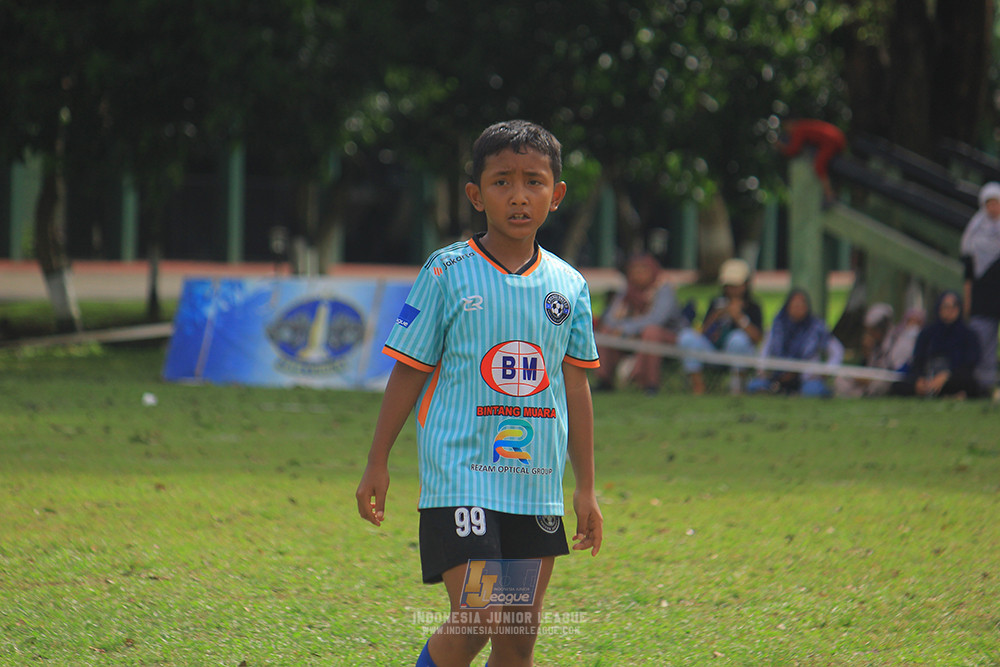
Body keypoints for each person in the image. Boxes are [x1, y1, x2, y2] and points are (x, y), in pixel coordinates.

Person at [355, 120, 603, 667]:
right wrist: (378, 461)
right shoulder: (447, 272)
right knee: (480, 616)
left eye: (534, 181)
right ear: (476, 194)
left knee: (516, 641)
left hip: (536, 485)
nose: (519, 196)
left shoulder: (569, 285)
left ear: (556, 195)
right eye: (502, 182)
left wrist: (585, 489)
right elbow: (408, 371)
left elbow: (576, 385)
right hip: (461, 477)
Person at [593, 252, 688, 394]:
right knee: (606, 330)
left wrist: (625, 329)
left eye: (643, 271)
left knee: (651, 332)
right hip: (632, 336)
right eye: (634, 271)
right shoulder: (626, 291)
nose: (638, 275)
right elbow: (609, 318)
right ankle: (604, 381)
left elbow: (657, 319)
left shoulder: (663, 289)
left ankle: (650, 385)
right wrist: (617, 328)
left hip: (668, 337)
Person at [677, 258, 763, 395]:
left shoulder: (753, 307)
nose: (731, 290)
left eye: (736, 285)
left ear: (745, 285)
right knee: (687, 337)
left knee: (737, 339)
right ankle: (698, 388)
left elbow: (757, 338)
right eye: (728, 285)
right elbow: (703, 332)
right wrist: (716, 316)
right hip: (713, 349)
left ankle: (737, 388)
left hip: (740, 352)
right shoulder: (716, 303)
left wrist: (739, 318)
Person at [747, 288, 844, 397]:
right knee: (755, 386)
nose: (798, 308)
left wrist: (825, 373)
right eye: (795, 305)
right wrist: (763, 371)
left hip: (806, 378)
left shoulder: (816, 327)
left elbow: (837, 350)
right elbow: (765, 350)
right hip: (777, 376)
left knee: (813, 391)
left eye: (801, 305)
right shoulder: (777, 326)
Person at [891, 291, 983, 398]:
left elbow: (969, 364)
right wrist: (919, 379)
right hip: (929, 377)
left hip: (952, 379)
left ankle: (949, 393)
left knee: (970, 383)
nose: (950, 311)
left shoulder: (968, 335)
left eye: (954, 307)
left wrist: (947, 375)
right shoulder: (928, 333)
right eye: (946, 307)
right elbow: (918, 361)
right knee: (899, 384)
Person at [960, 181, 1000, 397]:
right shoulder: (974, 234)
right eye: (989, 204)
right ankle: (982, 388)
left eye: (996, 203)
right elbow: (968, 273)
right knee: (982, 344)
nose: (993, 208)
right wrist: (968, 301)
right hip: (984, 299)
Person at [833, 302, 918, 397]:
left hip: (886, 380)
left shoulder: (899, 341)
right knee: (842, 378)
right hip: (870, 377)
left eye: (872, 330)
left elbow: (898, 373)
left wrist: (874, 377)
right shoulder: (873, 343)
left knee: (880, 384)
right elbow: (868, 366)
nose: (869, 333)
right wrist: (867, 353)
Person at [776, 118, 847, 205]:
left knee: (819, 166)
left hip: (831, 140)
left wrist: (780, 146)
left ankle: (829, 196)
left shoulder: (798, 129)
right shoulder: (803, 125)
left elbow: (793, 150)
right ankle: (832, 193)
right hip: (836, 136)